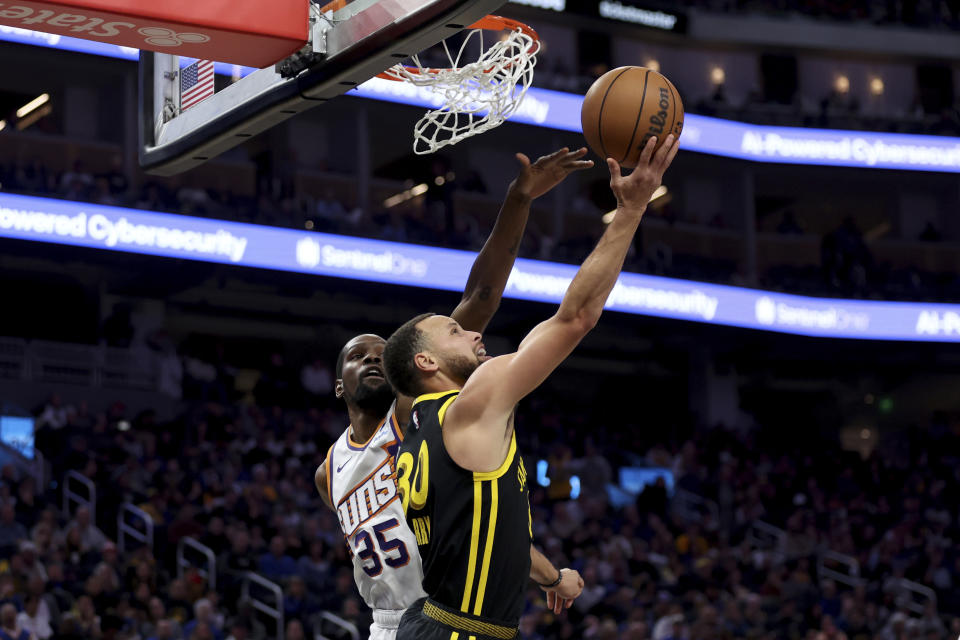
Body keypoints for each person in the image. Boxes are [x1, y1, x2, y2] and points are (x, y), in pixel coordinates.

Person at [383, 134, 680, 640]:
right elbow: (576, 318)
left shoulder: (413, 418)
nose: (474, 330)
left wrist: (553, 576)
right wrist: (631, 209)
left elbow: (496, 533)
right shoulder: (475, 400)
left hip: (437, 621)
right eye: (455, 331)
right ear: (427, 360)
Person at [314, 148, 594, 640]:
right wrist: (553, 576)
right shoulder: (327, 472)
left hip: (440, 611)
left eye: (383, 353)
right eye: (360, 356)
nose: (375, 359)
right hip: (386, 625)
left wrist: (519, 200)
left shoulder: (414, 414)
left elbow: (480, 297)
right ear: (338, 385)